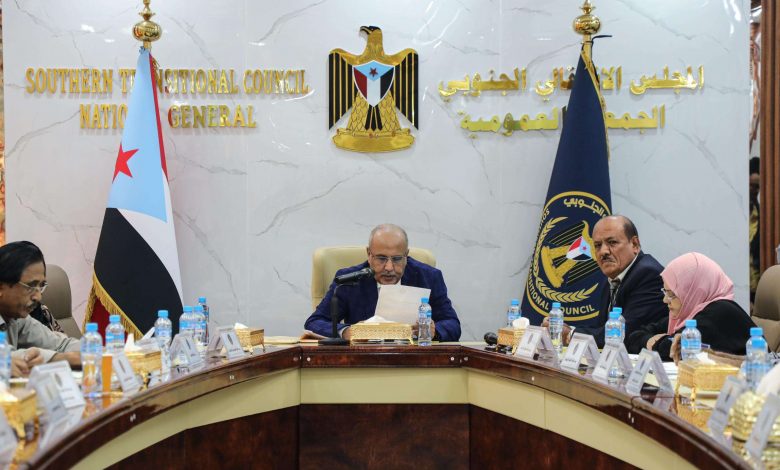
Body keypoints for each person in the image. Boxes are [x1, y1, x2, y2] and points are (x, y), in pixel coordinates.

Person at [304, 224, 461, 341]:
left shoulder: (429, 277)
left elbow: (452, 324)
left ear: (406, 255)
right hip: (363, 362)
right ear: (369, 254)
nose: (389, 267)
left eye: (397, 259)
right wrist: (346, 332)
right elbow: (315, 322)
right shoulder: (349, 280)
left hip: (414, 361)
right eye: (381, 258)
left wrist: (434, 331)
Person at [548, 215, 667, 347]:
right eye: (597, 245)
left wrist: (569, 334)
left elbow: (624, 335)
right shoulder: (612, 278)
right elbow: (603, 329)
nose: (603, 252)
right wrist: (565, 329)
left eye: (612, 242)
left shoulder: (648, 274)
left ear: (634, 244)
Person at [626, 252, 755, 362]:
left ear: (695, 291)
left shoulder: (719, 312)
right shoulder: (687, 313)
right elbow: (633, 337)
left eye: (672, 294)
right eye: (665, 292)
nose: (665, 300)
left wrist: (654, 342)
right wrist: (652, 341)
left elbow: (672, 350)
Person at [0, 241, 80, 376]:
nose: (38, 297)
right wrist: (64, 359)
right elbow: (7, 359)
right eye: (30, 286)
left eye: (41, 286)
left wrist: (99, 351)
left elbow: (61, 345)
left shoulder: (16, 316)